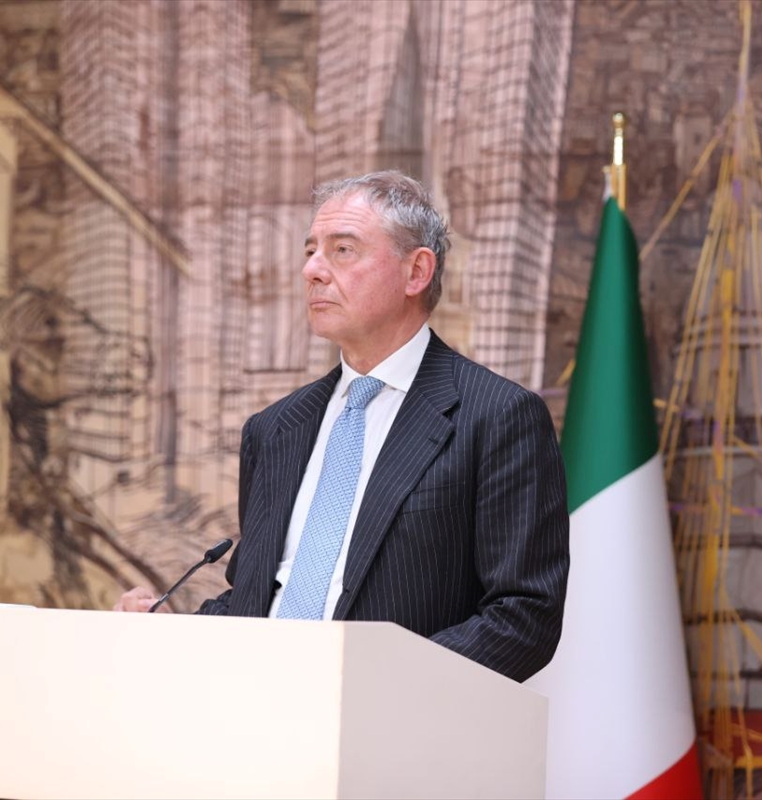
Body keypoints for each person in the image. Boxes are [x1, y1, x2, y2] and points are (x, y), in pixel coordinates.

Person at [115, 171, 569, 682]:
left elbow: (522, 616)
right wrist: (172, 631)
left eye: (342, 250)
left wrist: (369, 686)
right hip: (255, 709)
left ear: (416, 271)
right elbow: (257, 601)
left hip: (391, 718)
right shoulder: (275, 429)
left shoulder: (497, 417)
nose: (312, 270)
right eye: (311, 250)